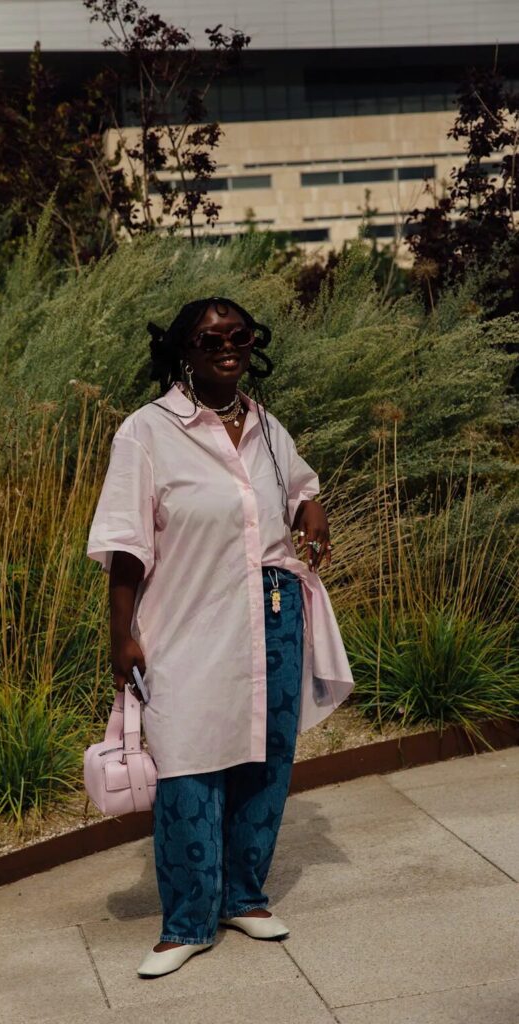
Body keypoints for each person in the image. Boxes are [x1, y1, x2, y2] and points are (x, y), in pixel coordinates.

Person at [86, 296, 354, 978]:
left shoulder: (265, 424)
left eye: (239, 336)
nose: (227, 347)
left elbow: (301, 486)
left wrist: (311, 519)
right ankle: (185, 923)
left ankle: (244, 896)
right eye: (211, 339)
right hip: (184, 624)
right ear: (185, 349)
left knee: (265, 761)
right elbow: (124, 544)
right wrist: (122, 634)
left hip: (273, 614)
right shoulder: (146, 432)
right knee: (187, 767)